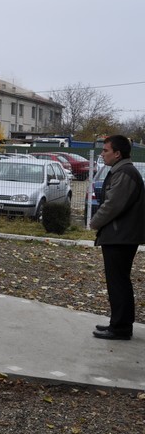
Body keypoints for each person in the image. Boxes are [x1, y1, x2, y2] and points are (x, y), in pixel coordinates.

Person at [89, 135, 145, 341]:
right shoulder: (122, 171)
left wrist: (94, 222)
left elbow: (113, 205)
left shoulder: (125, 173)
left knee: (118, 282)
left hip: (121, 236)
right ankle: (118, 323)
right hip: (119, 235)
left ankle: (120, 328)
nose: (102, 154)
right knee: (118, 281)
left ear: (118, 153)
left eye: (106, 150)